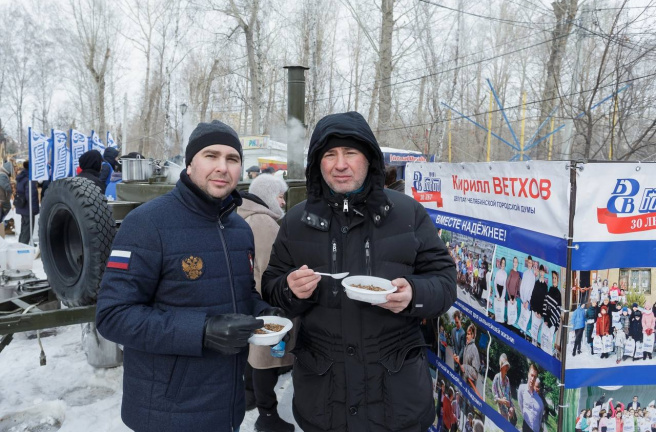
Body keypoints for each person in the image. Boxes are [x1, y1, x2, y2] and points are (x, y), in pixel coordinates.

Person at [261, 111, 457, 432]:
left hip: (397, 393)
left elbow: (446, 284)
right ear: (317, 163)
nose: (340, 164)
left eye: (350, 152)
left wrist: (413, 295)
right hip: (323, 396)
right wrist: (288, 289)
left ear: (369, 159)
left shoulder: (407, 213)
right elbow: (271, 288)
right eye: (330, 155)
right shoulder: (296, 221)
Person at [96, 119, 281, 432]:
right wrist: (202, 331)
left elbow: (241, 292)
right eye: (211, 155)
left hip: (226, 406)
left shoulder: (239, 230)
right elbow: (113, 316)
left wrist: (263, 312)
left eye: (232, 159)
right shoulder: (147, 223)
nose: (223, 167)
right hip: (167, 412)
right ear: (190, 163)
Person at [237, 174, 295, 432]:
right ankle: (268, 416)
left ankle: (249, 396)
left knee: (254, 354)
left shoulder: (244, 213)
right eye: (280, 196)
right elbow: (268, 269)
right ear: (269, 195)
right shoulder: (264, 222)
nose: (282, 202)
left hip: (250, 300)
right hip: (266, 302)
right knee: (266, 360)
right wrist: (275, 305)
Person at [15, 161, 39, 245]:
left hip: (23, 206)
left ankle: (22, 243)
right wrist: (34, 210)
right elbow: (31, 196)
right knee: (27, 228)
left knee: (24, 227)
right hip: (28, 207)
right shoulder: (29, 179)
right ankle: (23, 245)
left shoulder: (22, 177)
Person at [517, 363, 544, 432]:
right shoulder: (522, 389)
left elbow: (540, 418)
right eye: (531, 375)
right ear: (528, 374)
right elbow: (520, 405)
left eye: (535, 377)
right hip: (526, 427)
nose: (532, 378)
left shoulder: (539, 401)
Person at [455, 324, 481, 395]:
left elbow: (475, 374)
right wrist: (458, 359)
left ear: (473, 335)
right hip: (463, 386)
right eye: (467, 334)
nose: (466, 336)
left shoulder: (474, 349)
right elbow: (465, 363)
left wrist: (465, 367)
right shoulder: (467, 346)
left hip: (469, 392)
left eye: (469, 334)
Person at [492, 353, 514, 420]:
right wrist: (502, 401)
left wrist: (511, 408)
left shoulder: (507, 380)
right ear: (501, 367)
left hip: (506, 414)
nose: (507, 367)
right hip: (499, 412)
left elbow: (509, 397)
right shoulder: (497, 378)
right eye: (505, 365)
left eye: (507, 365)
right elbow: (494, 398)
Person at [0, 161, 13, 232]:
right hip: (2, 200)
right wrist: (11, 188)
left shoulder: (3, 174)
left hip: (3, 199)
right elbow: (4, 185)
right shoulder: (2, 175)